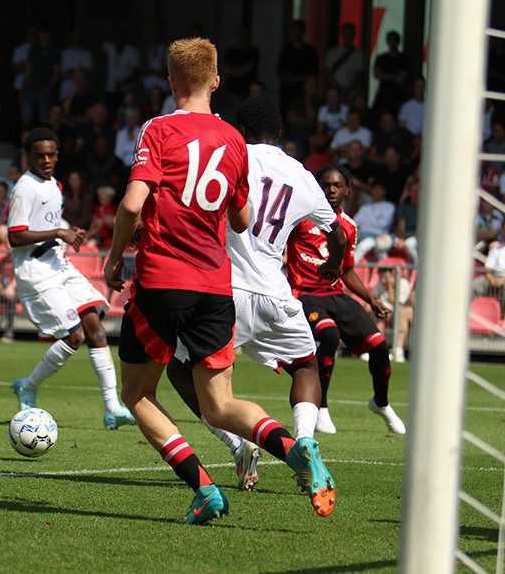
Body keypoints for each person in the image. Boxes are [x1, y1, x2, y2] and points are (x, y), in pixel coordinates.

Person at [104, 37, 335, 524]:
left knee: (137, 395)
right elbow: (243, 218)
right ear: (215, 81)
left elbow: (130, 203)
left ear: (170, 83)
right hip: (215, 287)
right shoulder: (233, 140)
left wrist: (113, 258)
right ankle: (295, 451)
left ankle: (205, 489)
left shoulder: (158, 128)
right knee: (221, 403)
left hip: (164, 280)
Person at [161, 93, 346, 492]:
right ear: (279, 133)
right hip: (277, 295)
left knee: (179, 368)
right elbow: (337, 231)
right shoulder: (301, 174)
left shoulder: (230, 155)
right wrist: (333, 265)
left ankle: (236, 442)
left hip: (223, 295)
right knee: (306, 366)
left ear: (239, 130)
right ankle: (307, 440)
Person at [8, 127, 135, 430]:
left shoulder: (54, 184)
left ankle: (112, 408)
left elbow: (49, 223)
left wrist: (69, 231)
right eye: (40, 155)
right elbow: (15, 236)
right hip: (36, 272)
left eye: (52, 154)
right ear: (29, 157)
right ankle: (28, 385)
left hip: (59, 265)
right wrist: (58, 232)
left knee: (97, 332)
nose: (47, 160)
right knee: (74, 336)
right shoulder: (24, 188)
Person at [285, 163, 407, 436]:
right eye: (325, 184)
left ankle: (381, 403)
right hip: (305, 295)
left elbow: (348, 270)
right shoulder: (300, 219)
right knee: (328, 335)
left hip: (337, 295)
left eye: (337, 185)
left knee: (378, 346)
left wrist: (370, 299)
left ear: (348, 190)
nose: (330, 189)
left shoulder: (349, 226)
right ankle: (322, 408)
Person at [324, 22, 366, 103]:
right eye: (345, 34)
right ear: (341, 34)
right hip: (334, 90)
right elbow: (328, 71)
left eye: (350, 34)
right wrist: (337, 88)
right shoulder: (333, 52)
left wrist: (347, 89)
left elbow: (358, 74)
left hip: (351, 91)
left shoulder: (358, 54)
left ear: (353, 35)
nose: (348, 37)